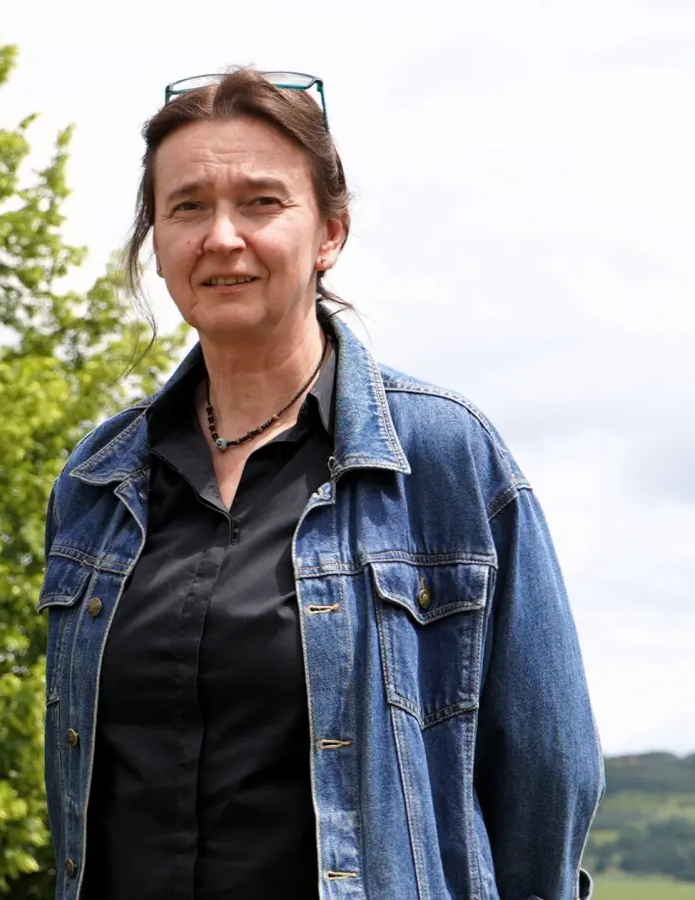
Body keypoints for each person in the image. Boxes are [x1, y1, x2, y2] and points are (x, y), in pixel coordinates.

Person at [39, 68, 602, 900]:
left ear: (330, 231)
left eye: (262, 203)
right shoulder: (96, 480)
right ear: (156, 243)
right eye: (187, 206)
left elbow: (547, 773)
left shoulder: (446, 457)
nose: (221, 236)